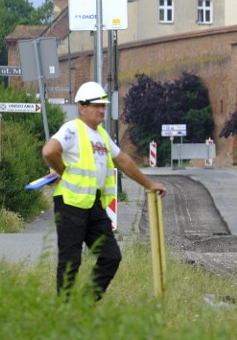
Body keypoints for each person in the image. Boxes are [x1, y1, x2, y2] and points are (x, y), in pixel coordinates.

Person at [42, 81, 167, 300]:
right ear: (82, 107)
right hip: (70, 204)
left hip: (93, 205)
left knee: (111, 256)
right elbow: (49, 150)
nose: (101, 110)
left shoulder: (101, 135)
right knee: (71, 262)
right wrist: (61, 169)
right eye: (95, 105)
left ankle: (85, 304)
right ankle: (64, 312)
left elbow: (124, 161)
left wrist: (149, 184)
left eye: (103, 106)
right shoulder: (73, 128)